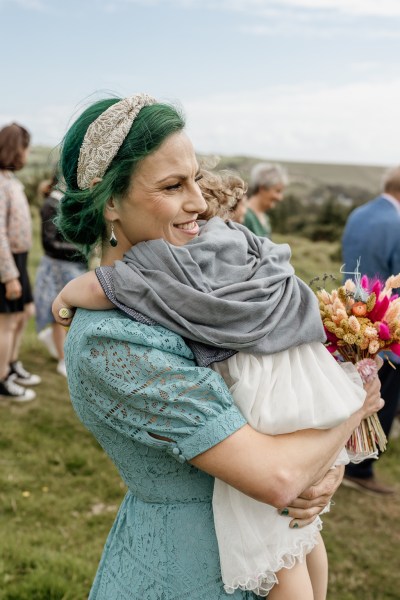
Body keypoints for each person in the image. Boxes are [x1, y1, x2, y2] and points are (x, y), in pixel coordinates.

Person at [52, 94, 382, 600]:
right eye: (171, 186)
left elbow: (288, 442)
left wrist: (324, 474)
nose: (201, 203)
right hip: (187, 572)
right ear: (109, 202)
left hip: (273, 541)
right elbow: (276, 477)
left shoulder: (195, 282)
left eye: (194, 180)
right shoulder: (109, 338)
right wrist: (353, 405)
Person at [341, 165, 400, 495]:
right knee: (383, 396)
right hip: (388, 325)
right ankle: (361, 468)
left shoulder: (359, 214)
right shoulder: (398, 223)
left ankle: (349, 455)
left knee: (357, 389)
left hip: (354, 315)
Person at [0, 123, 41, 402]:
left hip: (20, 258)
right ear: (16, 149)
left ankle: (11, 364)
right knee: (6, 321)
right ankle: (1, 379)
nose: (27, 154)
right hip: (7, 262)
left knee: (24, 313)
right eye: (25, 148)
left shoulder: (10, 180)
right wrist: (8, 275)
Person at [34, 174, 87, 377]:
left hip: (72, 267)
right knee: (60, 313)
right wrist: (80, 249)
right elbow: (49, 243)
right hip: (57, 267)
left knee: (71, 313)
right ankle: (62, 360)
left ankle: (59, 345)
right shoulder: (51, 204)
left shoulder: (68, 203)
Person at [243, 162, 288, 238]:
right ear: (262, 188)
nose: (280, 198)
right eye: (277, 191)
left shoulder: (265, 217)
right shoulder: (245, 216)